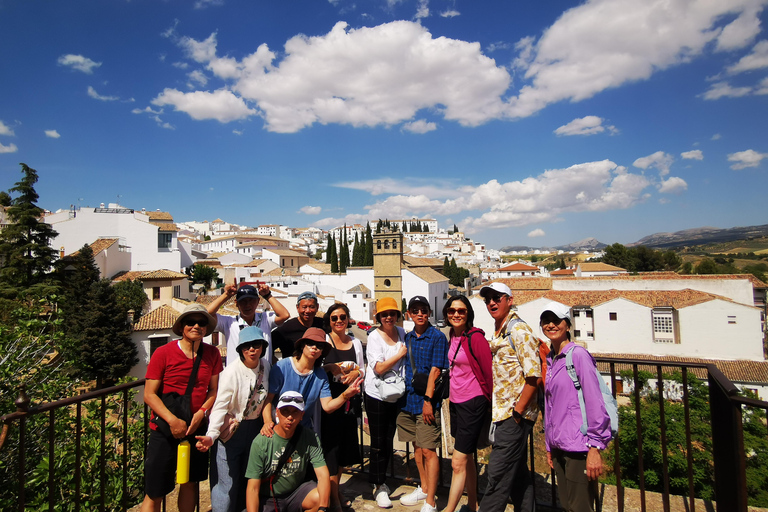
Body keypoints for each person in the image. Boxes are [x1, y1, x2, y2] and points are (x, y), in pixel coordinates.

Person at [140, 304, 223, 512]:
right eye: (191, 322)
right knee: (156, 490)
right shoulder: (163, 353)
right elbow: (149, 395)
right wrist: (172, 421)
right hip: (164, 429)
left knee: (190, 483)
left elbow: (213, 390)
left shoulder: (212, 354)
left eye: (201, 323)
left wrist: (201, 413)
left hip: (196, 427)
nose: (196, 326)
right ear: (182, 326)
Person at [540, 301, 611, 512]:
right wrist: (549, 445)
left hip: (580, 448)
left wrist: (595, 447)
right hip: (560, 445)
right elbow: (551, 405)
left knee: (580, 507)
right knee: (567, 505)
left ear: (568, 326)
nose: (551, 325)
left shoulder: (578, 356)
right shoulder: (552, 359)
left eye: (556, 321)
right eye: (546, 321)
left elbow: (595, 402)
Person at [477, 282, 541, 512]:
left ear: (509, 300)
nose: (491, 302)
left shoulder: (519, 331)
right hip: (504, 413)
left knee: (497, 474)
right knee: (518, 475)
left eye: (497, 298)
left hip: (513, 415)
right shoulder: (501, 330)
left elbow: (534, 375)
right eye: (487, 300)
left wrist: (517, 412)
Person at [195, 326, 271, 512]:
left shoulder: (266, 367)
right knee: (226, 483)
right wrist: (211, 436)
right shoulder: (231, 373)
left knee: (249, 478)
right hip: (232, 431)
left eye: (256, 345)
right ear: (240, 350)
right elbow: (220, 406)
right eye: (247, 346)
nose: (252, 349)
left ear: (263, 347)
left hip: (255, 429)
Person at [397, 296, 448, 512]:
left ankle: (431, 502)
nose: (420, 314)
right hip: (407, 401)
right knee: (417, 448)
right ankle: (424, 487)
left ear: (429, 313)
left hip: (426, 401)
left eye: (423, 310)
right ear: (409, 314)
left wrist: (428, 400)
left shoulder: (436, 337)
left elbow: (436, 371)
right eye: (415, 310)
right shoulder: (407, 338)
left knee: (429, 450)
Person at [442, 295, 492, 512]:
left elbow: (489, 375)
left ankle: (449, 509)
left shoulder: (476, 338)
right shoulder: (452, 336)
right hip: (456, 403)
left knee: (457, 462)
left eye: (461, 311)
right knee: (468, 457)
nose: (456, 314)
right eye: (452, 311)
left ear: (468, 314)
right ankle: (473, 504)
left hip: (473, 403)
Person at [262, 327, 362, 436]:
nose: (314, 347)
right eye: (310, 343)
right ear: (302, 345)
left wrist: (346, 395)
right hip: (279, 429)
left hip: (303, 431)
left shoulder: (320, 375)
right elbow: (268, 399)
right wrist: (268, 422)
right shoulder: (282, 367)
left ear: (322, 352)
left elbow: (327, 406)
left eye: (319, 346)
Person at [245, 391, 330, 512]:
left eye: (295, 412)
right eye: (285, 411)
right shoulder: (261, 442)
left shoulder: (310, 437)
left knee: (320, 497)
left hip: (296, 492)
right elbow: (253, 487)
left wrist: (323, 508)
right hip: (269, 497)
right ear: (277, 413)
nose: (290, 417)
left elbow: (323, 475)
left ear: (302, 415)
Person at [363, 296, 408, 509]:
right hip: (377, 395)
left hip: (395, 394)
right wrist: (399, 355)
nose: (388, 317)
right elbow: (378, 368)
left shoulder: (401, 333)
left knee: (388, 437)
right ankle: (378, 485)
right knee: (379, 442)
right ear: (378, 317)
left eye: (392, 313)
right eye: (384, 314)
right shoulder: (374, 337)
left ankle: (381, 480)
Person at [321, 303, 365, 511]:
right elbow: (315, 368)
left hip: (349, 405)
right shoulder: (324, 341)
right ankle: (334, 497)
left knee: (343, 452)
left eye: (343, 317)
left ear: (348, 319)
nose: (339, 321)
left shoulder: (355, 343)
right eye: (334, 318)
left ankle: (335, 491)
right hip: (328, 404)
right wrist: (330, 368)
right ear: (329, 321)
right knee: (331, 451)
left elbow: (363, 369)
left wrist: (357, 373)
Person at [208, 282, 290, 366]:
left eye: (251, 301)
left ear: (258, 301)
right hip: (237, 377)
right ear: (237, 303)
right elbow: (207, 314)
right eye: (243, 301)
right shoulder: (229, 322)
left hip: (263, 376)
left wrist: (268, 295)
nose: (247, 305)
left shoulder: (265, 319)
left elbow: (284, 315)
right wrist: (226, 295)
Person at [272, 291, 324, 360]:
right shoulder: (286, 328)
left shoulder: (323, 324)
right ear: (297, 307)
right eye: (304, 307)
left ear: (317, 307)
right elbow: (267, 347)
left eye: (312, 307)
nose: (308, 311)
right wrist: (277, 365)